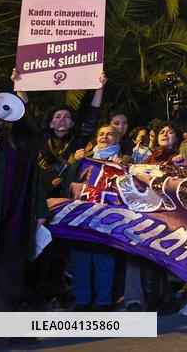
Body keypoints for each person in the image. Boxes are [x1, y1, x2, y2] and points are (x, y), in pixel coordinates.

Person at [0, 92, 48, 312]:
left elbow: (34, 182)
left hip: (14, 220)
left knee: (10, 274)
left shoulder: (22, 147)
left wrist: (39, 211)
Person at [63, 125, 122, 311]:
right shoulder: (83, 159)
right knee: (81, 260)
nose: (104, 137)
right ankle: (82, 301)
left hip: (107, 217)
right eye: (101, 134)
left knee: (104, 260)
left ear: (118, 139)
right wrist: (74, 162)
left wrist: (121, 166)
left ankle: (103, 301)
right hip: (81, 217)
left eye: (109, 134)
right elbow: (67, 184)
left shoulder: (124, 159)